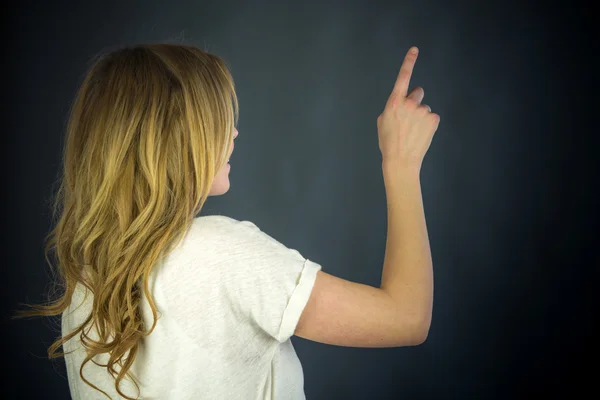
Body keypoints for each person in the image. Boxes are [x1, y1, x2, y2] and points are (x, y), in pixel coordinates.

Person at [13, 43, 439, 399]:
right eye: (215, 119)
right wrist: (401, 163)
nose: (233, 132)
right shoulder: (220, 253)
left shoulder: (86, 282)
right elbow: (406, 318)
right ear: (176, 137)